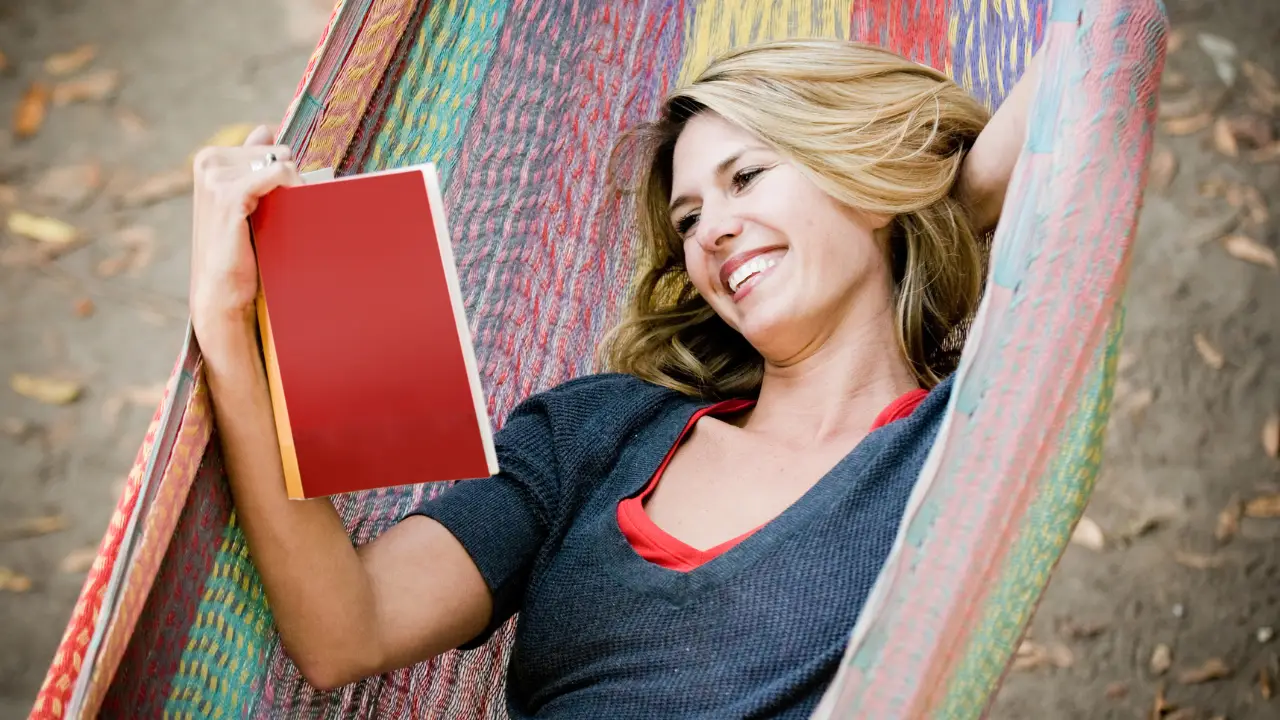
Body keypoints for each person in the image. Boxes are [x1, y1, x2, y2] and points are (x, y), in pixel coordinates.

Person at [189, 39, 1038, 719]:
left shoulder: (958, 440)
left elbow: (1103, 59)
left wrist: (930, 204)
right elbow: (349, 628)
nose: (713, 232)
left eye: (748, 178)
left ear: (862, 173)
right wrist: (228, 325)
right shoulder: (597, 432)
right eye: (691, 218)